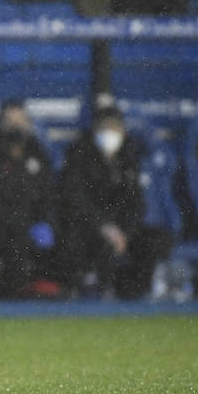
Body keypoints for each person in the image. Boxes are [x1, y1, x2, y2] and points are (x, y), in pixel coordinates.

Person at [57, 106, 173, 299]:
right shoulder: (78, 155)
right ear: (94, 129)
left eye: (115, 127)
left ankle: (134, 294)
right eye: (104, 127)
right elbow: (76, 199)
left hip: (122, 229)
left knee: (158, 240)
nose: (110, 133)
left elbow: (137, 203)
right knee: (97, 245)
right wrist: (104, 227)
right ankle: (100, 294)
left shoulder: (128, 157)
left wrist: (124, 232)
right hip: (90, 228)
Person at [0, 100, 58, 298]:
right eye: (10, 120)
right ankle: (13, 291)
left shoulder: (36, 151)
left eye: (20, 119)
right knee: (13, 234)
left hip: (31, 219)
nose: (16, 125)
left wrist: (43, 218)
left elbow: (47, 190)